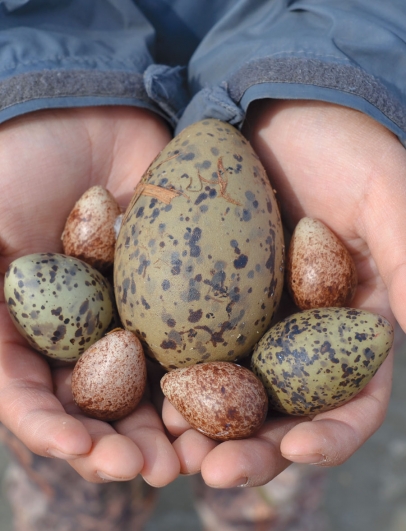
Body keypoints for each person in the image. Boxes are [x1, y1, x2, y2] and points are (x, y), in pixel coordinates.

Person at [0, 0, 405, 529]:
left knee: (280, 456)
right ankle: (78, 507)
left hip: (277, 63)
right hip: (71, 59)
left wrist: (325, 86)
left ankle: (256, 510)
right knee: (74, 453)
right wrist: (28, 92)